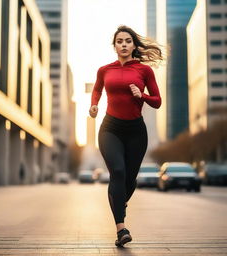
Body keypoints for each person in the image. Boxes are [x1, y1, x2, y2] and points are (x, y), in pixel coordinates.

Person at [89, 25, 163, 247]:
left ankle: (119, 202)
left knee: (129, 179)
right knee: (118, 172)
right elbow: (97, 89)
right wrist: (94, 105)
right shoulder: (105, 69)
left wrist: (143, 95)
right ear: (115, 45)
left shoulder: (144, 71)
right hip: (110, 128)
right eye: (119, 41)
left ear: (133, 45)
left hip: (136, 131)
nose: (124, 44)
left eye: (128, 41)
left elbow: (157, 101)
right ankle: (121, 229)